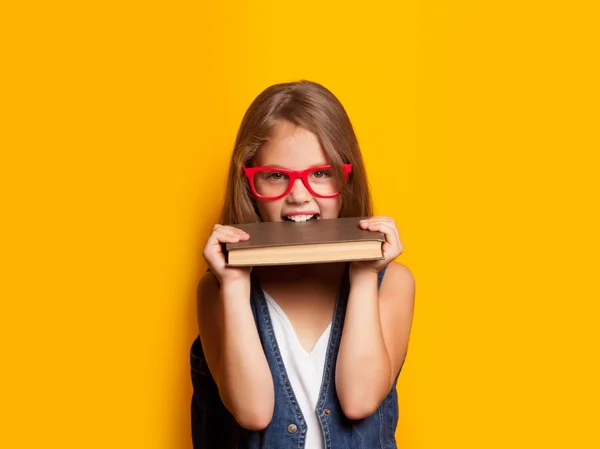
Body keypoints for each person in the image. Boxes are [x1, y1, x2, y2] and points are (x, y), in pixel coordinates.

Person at [190, 80, 415, 449]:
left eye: (320, 173)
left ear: (347, 177)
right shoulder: (217, 290)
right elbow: (253, 411)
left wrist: (362, 274)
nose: (298, 195)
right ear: (249, 183)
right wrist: (233, 286)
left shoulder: (391, 283)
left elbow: (359, 400)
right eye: (276, 175)